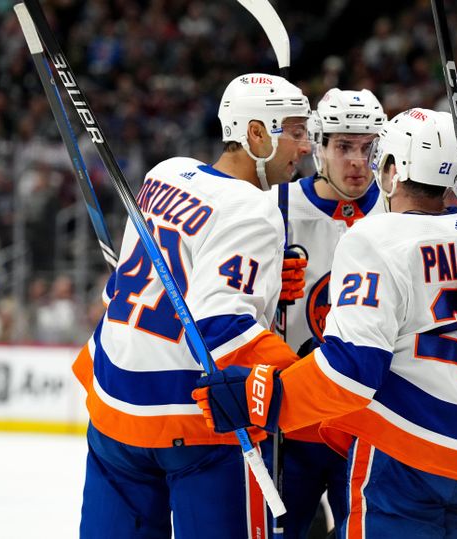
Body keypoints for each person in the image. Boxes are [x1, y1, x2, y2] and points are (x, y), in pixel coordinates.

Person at [194, 108, 457, 537]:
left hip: (406, 457)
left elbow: (352, 371)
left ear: (393, 169)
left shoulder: (375, 238)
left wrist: (261, 397)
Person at [72, 73, 311, 539]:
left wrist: (264, 287)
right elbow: (223, 327)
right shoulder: (254, 208)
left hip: (112, 407)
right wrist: (306, 385)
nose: (305, 147)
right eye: (296, 132)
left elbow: (119, 288)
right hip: (191, 422)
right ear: (256, 133)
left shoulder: (163, 173)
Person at [265, 88, 386, 538]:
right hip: (290, 421)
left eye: (367, 148)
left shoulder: (397, 210)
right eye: (343, 147)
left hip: (364, 422)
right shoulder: (275, 208)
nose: (357, 161)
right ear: (318, 147)